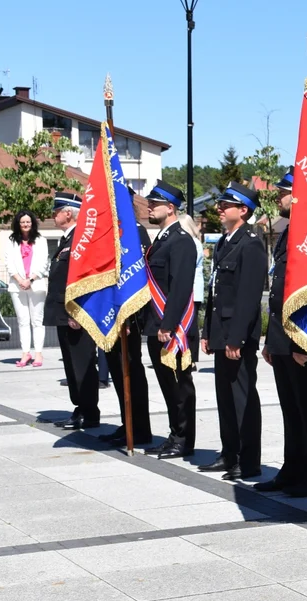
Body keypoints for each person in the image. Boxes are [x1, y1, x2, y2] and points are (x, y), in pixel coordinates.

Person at [256, 167, 307, 499]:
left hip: (302, 339)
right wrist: (272, 341)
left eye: (284, 191)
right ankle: (292, 467)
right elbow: (279, 290)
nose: (279, 198)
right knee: (290, 408)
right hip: (283, 338)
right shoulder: (287, 231)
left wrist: (304, 344)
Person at [199, 182, 268, 481]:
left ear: (243, 210)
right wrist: (207, 332)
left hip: (236, 336)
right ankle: (229, 453)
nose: (219, 208)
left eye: (226, 204)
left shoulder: (251, 243)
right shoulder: (225, 242)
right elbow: (215, 293)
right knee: (225, 397)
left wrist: (237, 337)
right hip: (221, 333)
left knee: (242, 398)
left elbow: (248, 297)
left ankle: (248, 459)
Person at [141, 180, 198, 459]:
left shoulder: (182, 241)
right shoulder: (161, 240)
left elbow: (180, 287)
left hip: (171, 328)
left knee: (180, 386)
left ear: (171, 208)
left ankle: (184, 439)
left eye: (155, 203)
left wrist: (168, 324)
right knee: (167, 386)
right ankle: (175, 433)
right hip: (156, 325)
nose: (149, 206)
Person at [43, 192, 100, 429]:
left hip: (75, 314)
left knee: (82, 363)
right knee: (71, 364)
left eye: (57, 210)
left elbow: (82, 279)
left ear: (69, 213)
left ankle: (89, 412)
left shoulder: (80, 239)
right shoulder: (68, 240)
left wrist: (75, 312)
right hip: (63, 312)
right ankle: (80, 408)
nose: (53, 214)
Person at [100, 212, 153, 447]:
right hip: (111, 315)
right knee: (118, 373)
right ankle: (127, 422)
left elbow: (135, 279)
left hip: (128, 319)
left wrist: (129, 319)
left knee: (131, 373)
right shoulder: (109, 231)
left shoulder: (135, 232)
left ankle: (139, 428)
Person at [4, 210, 51, 368]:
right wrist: (20, 280)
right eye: (22, 222)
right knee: (22, 320)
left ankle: (38, 353)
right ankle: (25, 353)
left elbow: (44, 263)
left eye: (28, 222)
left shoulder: (41, 240)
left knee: (37, 320)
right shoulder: (12, 241)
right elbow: (9, 263)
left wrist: (30, 279)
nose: (25, 224)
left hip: (35, 285)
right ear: (18, 224)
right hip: (17, 286)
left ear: (33, 223)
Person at [178, 213, 205, 370]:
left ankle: (192, 357)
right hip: (194, 288)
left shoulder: (192, 243)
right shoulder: (194, 242)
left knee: (191, 325)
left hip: (192, 289)